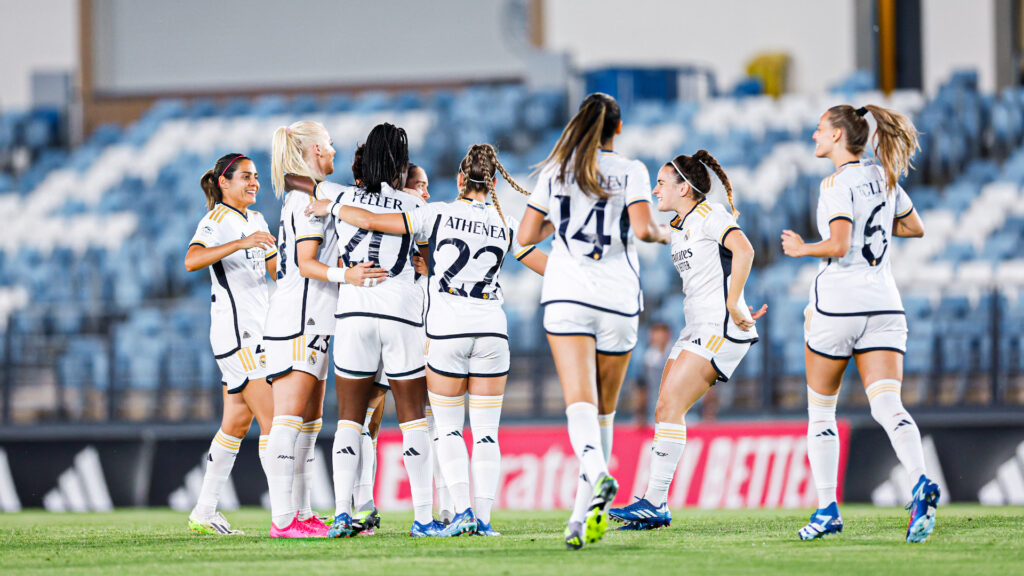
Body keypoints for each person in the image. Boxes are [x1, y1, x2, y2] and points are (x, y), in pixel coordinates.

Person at [317, 143, 547, 537]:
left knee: (450, 429)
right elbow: (548, 268)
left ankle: (461, 513)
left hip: (448, 332)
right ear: (494, 183)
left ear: (460, 179)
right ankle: (485, 521)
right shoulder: (506, 222)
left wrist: (333, 207)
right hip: (493, 329)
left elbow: (374, 220)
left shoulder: (434, 213)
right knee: (488, 431)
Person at [517, 92, 671, 550]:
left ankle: (598, 477)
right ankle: (581, 519)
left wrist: (557, 226)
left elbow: (524, 241)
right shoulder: (633, 170)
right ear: (617, 130)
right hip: (619, 299)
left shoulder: (556, 172)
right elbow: (643, 229)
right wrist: (664, 233)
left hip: (567, 296)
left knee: (580, 406)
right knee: (604, 409)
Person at [780, 104, 936, 543]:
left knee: (821, 412)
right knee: (888, 405)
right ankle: (921, 482)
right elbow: (915, 227)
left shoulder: (835, 183)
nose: (814, 136)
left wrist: (801, 248)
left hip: (839, 305)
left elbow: (839, 242)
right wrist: (879, 228)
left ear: (836, 137)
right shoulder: (883, 174)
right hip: (885, 305)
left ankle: (828, 508)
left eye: (818, 130)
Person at [609, 150, 766, 530]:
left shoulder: (710, 214)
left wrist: (734, 302)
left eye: (661, 183)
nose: (655, 189)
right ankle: (656, 504)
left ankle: (653, 500)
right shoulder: (682, 223)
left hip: (719, 327)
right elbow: (656, 231)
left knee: (671, 404)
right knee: (665, 408)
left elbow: (744, 250)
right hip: (694, 327)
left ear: (684, 187)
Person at [261, 121, 383, 537]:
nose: (334, 152)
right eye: (329, 145)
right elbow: (305, 263)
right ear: (315, 149)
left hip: (313, 316)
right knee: (288, 421)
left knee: (309, 426)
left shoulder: (307, 196)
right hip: (301, 319)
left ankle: (304, 512)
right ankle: (282, 519)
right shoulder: (306, 200)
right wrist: (348, 276)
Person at [315, 123, 435, 538]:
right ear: (400, 164)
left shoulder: (334, 195)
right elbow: (408, 231)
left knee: (349, 417)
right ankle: (423, 517)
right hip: (400, 312)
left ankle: (343, 514)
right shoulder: (414, 203)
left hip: (354, 313)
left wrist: (332, 208)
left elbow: (306, 185)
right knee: (413, 419)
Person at [184, 153, 277, 536]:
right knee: (277, 423)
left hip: (258, 330)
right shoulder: (217, 221)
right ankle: (289, 515)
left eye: (256, 177)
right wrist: (240, 244)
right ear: (224, 183)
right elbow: (192, 260)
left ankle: (204, 511)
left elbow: (275, 271)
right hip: (238, 334)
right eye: (245, 177)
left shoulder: (256, 220)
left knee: (236, 424)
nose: (254, 183)